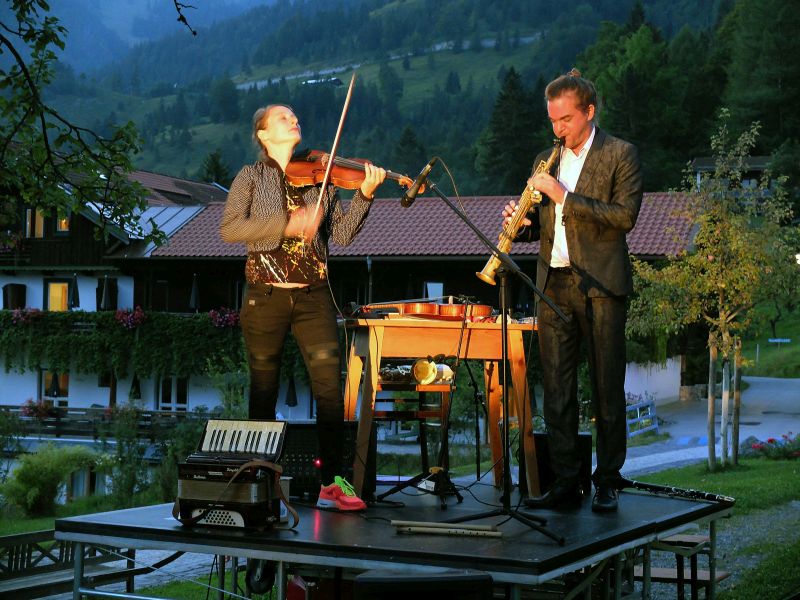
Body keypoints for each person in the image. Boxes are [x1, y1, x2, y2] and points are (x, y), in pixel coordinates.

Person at [220, 104, 386, 511]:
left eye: (296, 115)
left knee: (330, 393)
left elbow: (343, 236)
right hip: (265, 296)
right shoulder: (251, 176)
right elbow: (230, 229)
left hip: (314, 296)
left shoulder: (320, 176)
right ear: (262, 134)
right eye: (282, 117)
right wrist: (286, 224)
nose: (294, 120)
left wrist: (363, 195)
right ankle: (258, 487)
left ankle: (333, 487)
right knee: (263, 392)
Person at [503, 69, 643, 512]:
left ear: (589, 112)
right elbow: (543, 230)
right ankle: (565, 482)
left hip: (601, 286)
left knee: (606, 387)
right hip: (554, 284)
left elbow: (623, 217)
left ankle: (607, 480)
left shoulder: (621, 154)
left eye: (565, 119)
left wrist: (563, 195)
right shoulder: (546, 159)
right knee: (558, 391)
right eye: (552, 121)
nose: (557, 129)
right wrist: (521, 223)